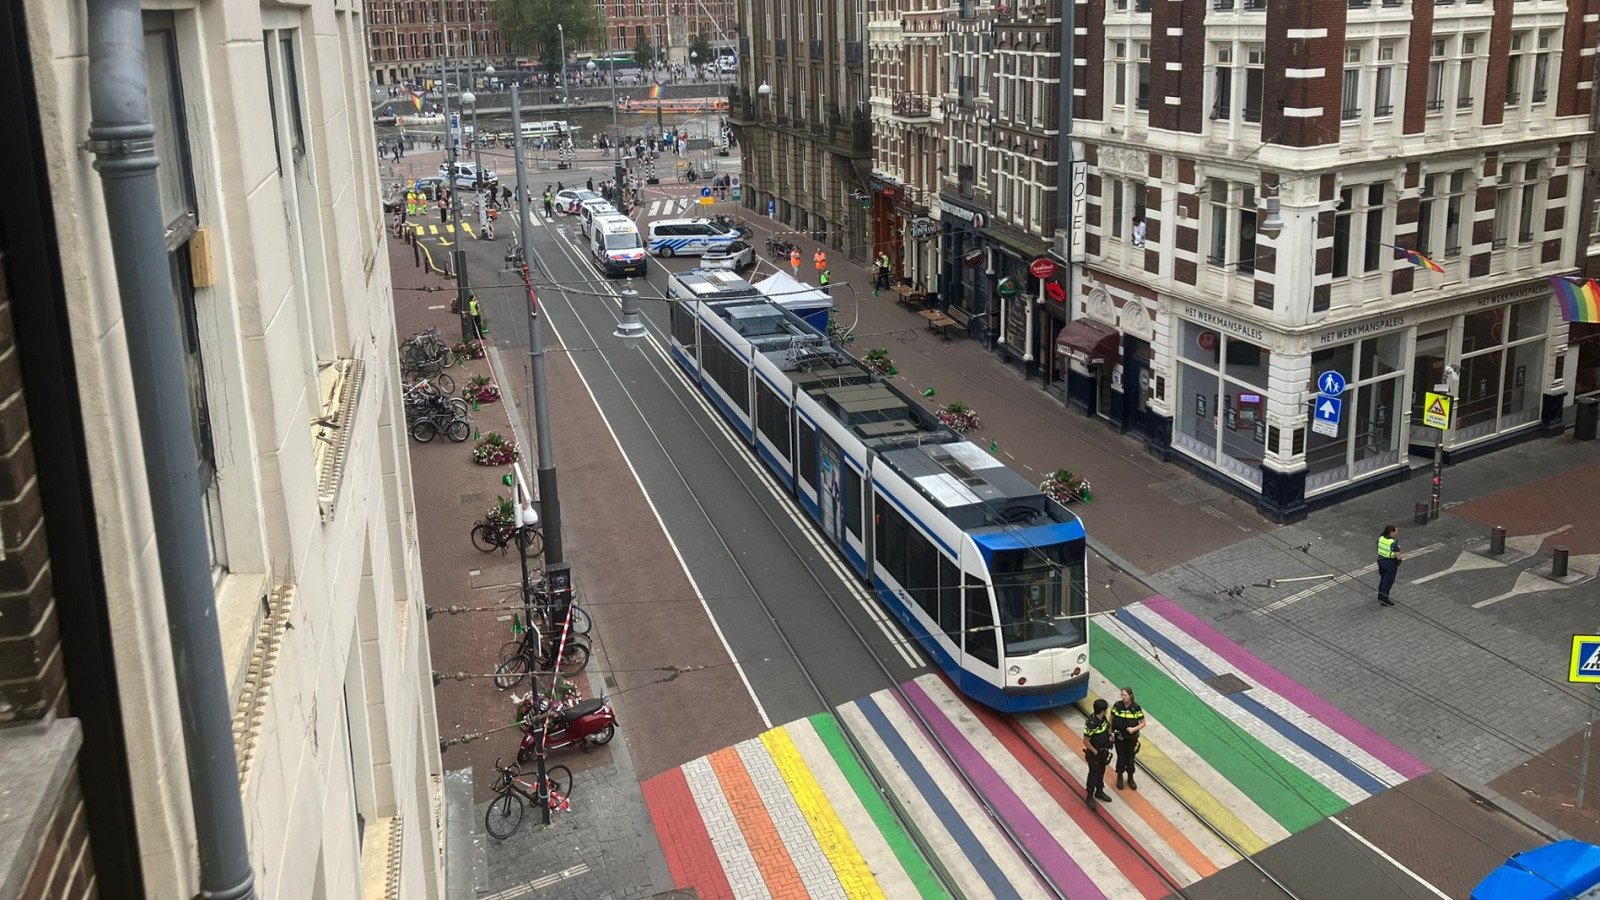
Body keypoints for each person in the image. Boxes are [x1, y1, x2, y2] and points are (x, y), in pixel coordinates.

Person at [1110, 686, 1146, 790]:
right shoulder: (1117, 705)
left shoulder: (1136, 708)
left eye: (1125, 695)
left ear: (1130, 696)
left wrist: (1134, 729)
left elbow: (1143, 723)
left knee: (1130, 758)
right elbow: (1111, 719)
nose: (1123, 697)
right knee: (1120, 757)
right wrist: (1111, 733)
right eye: (1122, 695)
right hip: (1119, 737)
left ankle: (1130, 777)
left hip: (1131, 738)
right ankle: (1120, 777)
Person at [1082, 699, 1115, 808]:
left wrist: (1110, 737)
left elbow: (1107, 729)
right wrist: (1095, 752)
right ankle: (1090, 795)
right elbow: (1085, 741)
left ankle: (1099, 791)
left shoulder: (1103, 718)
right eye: (1106, 709)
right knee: (1093, 774)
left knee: (1101, 772)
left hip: (1103, 751)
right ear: (1103, 710)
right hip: (1095, 754)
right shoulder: (1091, 723)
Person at [1376, 525, 1402, 606]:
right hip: (1390, 563)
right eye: (1396, 531)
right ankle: (1385, 600)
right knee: (1388, 581)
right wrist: (1400, 559)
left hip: (1381, 560)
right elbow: (1398, 556)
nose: (1397, 533)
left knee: (1383, 578)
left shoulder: (1381, 538)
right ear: (1391, 532)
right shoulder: (1393, 543)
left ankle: (1380, 595)